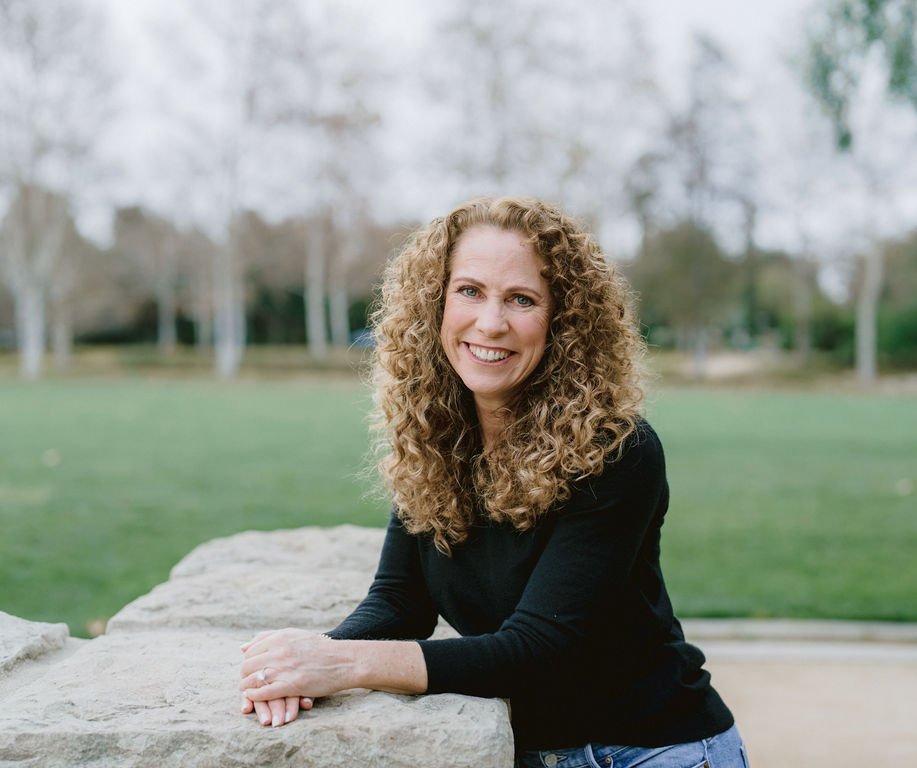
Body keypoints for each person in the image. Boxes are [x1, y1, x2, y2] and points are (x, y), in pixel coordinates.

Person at [239, 197, 748, 767]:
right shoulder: (436, 435)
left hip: (651, 750)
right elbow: (399, 600)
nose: (490, 323)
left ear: (564, 322)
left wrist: (346, 666)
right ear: (436, 301)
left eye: (522, 299)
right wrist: (310, 661)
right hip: (533, 752)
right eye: (470, 291)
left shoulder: (616, 448)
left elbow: (537, 649)